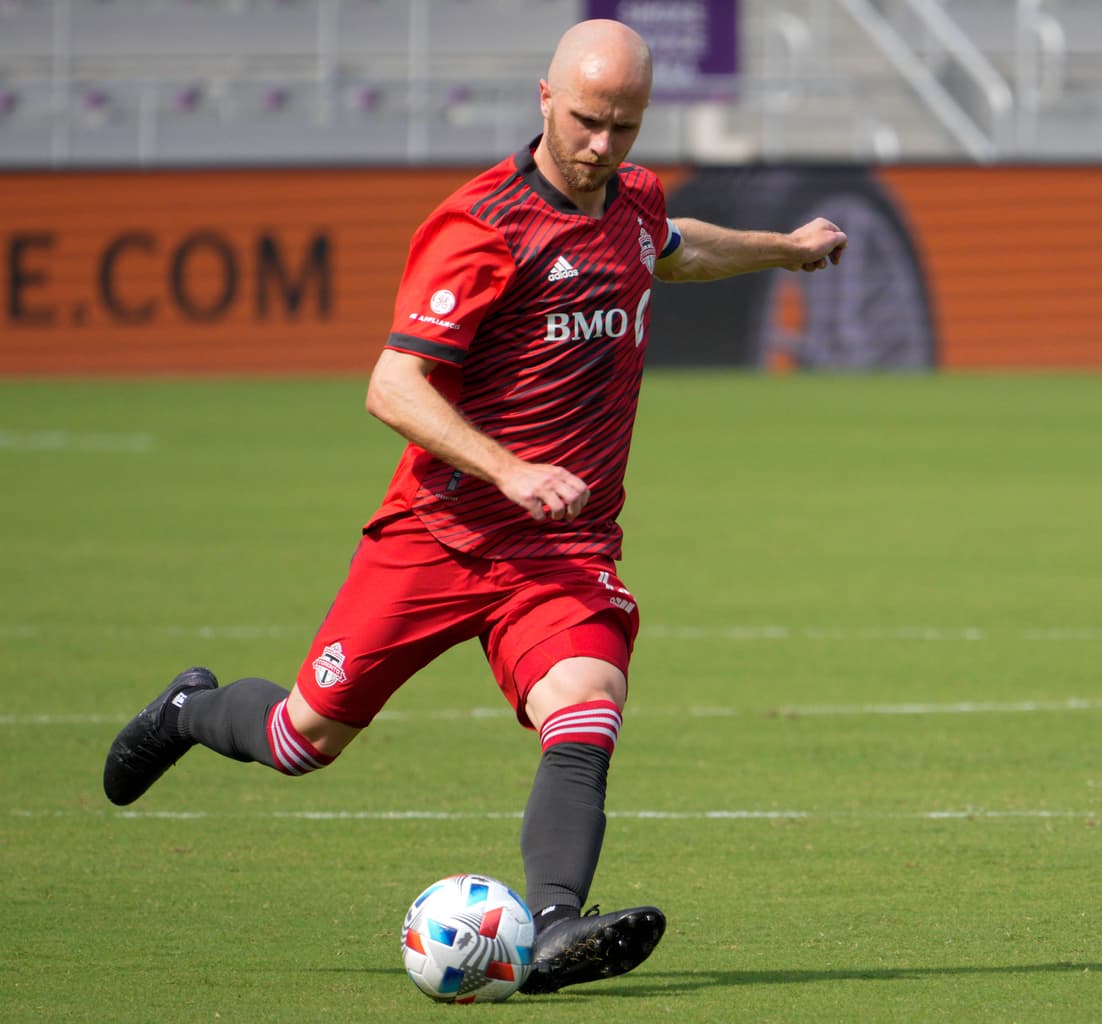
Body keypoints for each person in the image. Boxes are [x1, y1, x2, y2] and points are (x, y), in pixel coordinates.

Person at [103, 18, 846, 995]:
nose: (601, 145)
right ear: (544, 98)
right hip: (439, 533)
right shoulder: (481, 225)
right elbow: (393, 386)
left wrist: (784, 250)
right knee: (300, 739)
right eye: (585, 120)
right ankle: (191, 707)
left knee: (585, 703)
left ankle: (552, 926)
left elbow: (667, 250)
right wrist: (507, 469)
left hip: (561, 547)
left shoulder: (629, 200)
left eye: (623, 126)